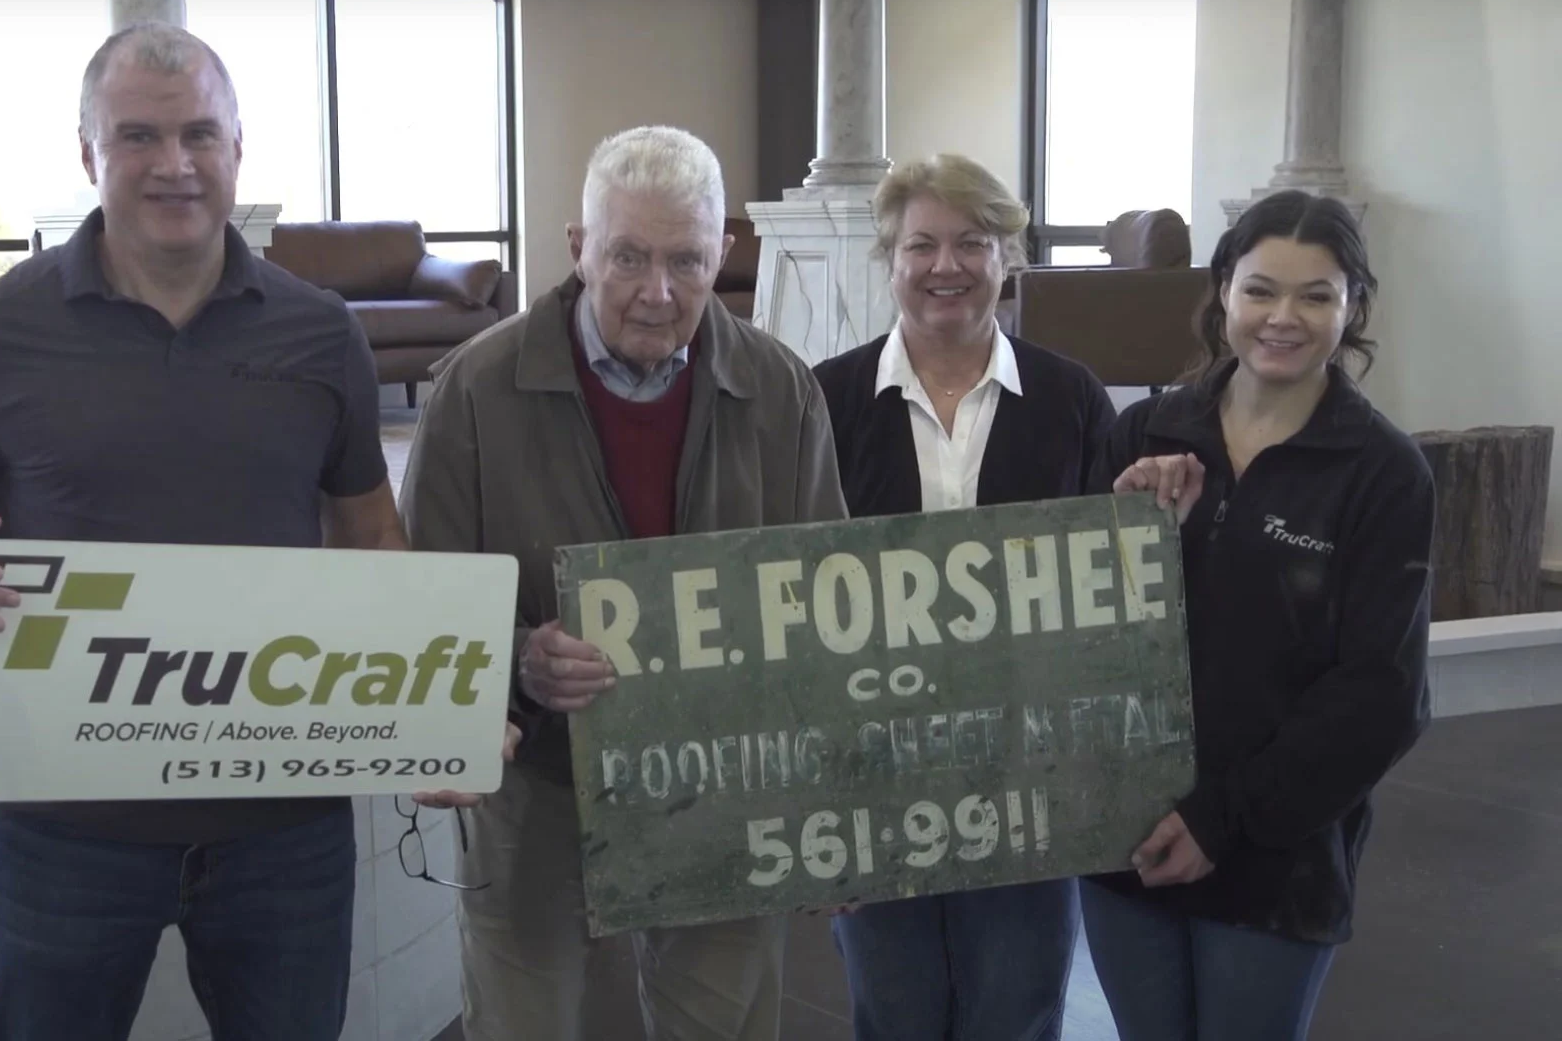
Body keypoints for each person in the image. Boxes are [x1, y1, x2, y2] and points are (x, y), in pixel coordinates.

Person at [0, 22, 504, 1041]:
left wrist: (432, 710)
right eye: (138, 137)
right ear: (88, 154)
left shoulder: (320, 331)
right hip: (61, 825)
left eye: (200, 134)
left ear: (238, 148)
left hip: (282, 826)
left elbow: (372, 540)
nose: (175, 164)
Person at [398, 124, 849, 1040]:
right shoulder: (475, 389)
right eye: (628, 256)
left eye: (686, 260)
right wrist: (519, 660)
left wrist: (827, 785)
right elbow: (422, 599)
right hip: (538, 779)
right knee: (523, 1020)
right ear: (579, 247)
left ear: (723, 252)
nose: (658, 291)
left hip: (725, 775)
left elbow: (827, 596)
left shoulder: (782, 390)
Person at [1086, 188, 1435, 1040]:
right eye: (1261, 290)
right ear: (1223, 292)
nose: (1283, 317)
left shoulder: (1383, 472)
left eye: (1316, 295)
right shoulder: (1145, 435)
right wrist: (1124, 532)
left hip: (1277, 858)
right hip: (1130, 833)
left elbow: (1382, 694)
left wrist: (1223, 819)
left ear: (1353, 306)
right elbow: (1084, 640)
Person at [810, 153, 1116, 1041]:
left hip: (1030, 771)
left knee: (1015, 1010)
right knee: (894, 1012)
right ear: (889, 258)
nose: (946, 266)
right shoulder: (824, 399)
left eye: (972, 242)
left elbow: (1111, 594)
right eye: (922, 245)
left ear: (1007, 256)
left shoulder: (1072, 398)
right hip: (872, 773)